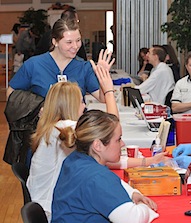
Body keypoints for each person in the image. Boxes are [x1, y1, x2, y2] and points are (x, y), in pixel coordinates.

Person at [27, 62, 118, 221]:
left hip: (45, 201)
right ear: (71, 105)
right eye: (82, 101)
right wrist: (109, 91)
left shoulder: (52, 127)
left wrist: (147, 161)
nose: (84, 106)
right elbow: (110, 131)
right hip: (52, 209)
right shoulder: (65, 128)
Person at [52, 110, 159, 222]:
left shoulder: (74, 159)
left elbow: (114, 183)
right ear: (98, 145)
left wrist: (133, 193)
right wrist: (143, 206)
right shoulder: (97, 177)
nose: (122, 144)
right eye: (118, 139)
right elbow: (134, 219)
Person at [7, 18, 110, 102]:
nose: (75, 46)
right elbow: (11, 93)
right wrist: (34, 110)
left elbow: (102, 98)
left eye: (78, 40)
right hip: (42, 126)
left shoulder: (84, 67)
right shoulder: (34, 65)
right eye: (69, 42)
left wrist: (103, 78)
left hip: (75, 126)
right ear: (55, 42)